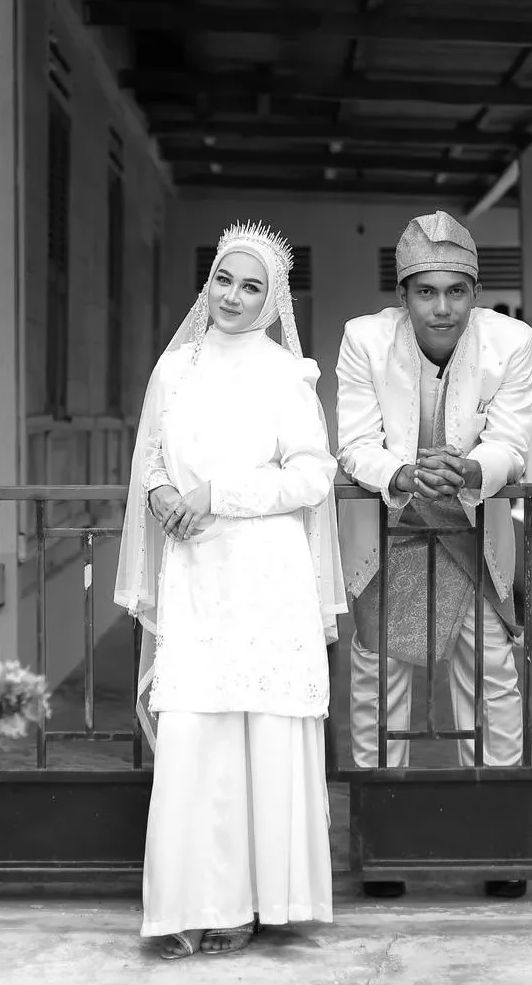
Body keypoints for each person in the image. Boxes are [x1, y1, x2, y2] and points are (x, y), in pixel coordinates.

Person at [115, 221, 347, 960]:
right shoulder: (173, 368)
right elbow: (152, 454)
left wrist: (218, 493)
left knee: (264, 732)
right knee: (195, 731)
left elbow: (313, 475)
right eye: (224, 279)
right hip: (194, 568)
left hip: (267, 574)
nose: (234, 296)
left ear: (272, 299)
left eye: (252, 286)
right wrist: (160, 492)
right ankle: (197, 903)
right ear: (208, 281)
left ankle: (258, 903)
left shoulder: (286, 373)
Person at [336, 210, 532, 900]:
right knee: (378, 684)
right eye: (426, 291)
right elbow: (353, 443)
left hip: (471, 533)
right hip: (391, 532)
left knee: (493, 677)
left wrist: (475, 470)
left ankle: (501, 843)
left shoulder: (510, 342)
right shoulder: (365, 340)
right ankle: (381, 844)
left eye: (456, 291)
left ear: (475, 292)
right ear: (403, 294)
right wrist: (399, 474)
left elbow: (511, 441)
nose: (442, 307)